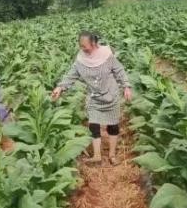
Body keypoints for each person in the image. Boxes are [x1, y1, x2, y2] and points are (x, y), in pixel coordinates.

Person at [51, 32, 133, 165]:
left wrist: (126, 86)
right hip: (94, 98)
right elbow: (71, 76)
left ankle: (112, 155)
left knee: (112, 126)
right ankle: (97, 156)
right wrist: (60, 88)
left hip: (111, 96)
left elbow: (119, 70)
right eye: (80, 46)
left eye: (85, 46)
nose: (82, 49)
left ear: (94, 44)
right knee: (93, 125)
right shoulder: (80, 60)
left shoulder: (107, 56)